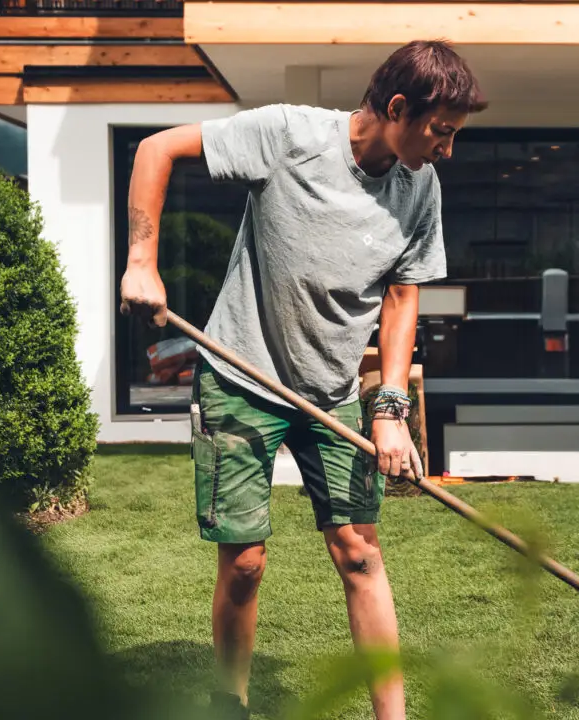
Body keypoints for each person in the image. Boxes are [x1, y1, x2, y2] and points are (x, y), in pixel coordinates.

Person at [119, 40, 486, 720]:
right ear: (398, 107)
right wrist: (143, 260)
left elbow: (403, 299)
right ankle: (229, 703)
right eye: (441, 131)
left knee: (360, 555)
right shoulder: (289, 135)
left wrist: (390, 408)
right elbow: (154, 149)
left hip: (335, 391)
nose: (448, 150)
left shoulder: (421, 187)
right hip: (238, 377)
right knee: (246, 563)